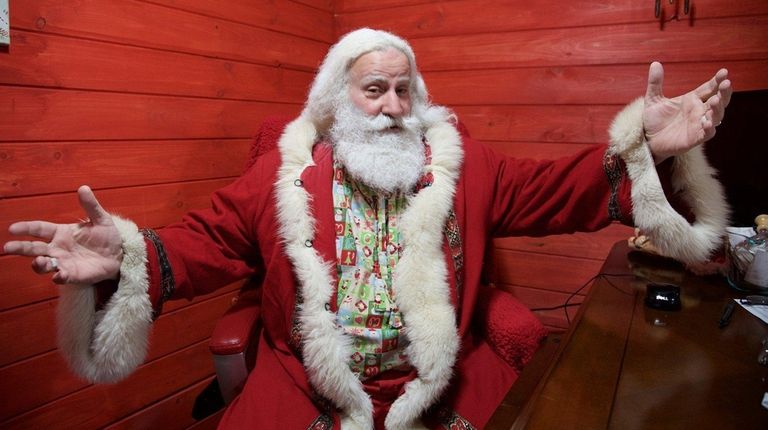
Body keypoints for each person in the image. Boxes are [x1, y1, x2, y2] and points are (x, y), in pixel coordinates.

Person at [3, 28, 731, 429]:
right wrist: (125, 255)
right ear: (338, 99)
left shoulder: (461, 165)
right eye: (373, 88)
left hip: (439, 384)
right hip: (312, 389)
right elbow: (202, 240)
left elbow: (550, 190)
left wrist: (645, 148)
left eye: (402, 89)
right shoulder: (285, 177)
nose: (390, 106)